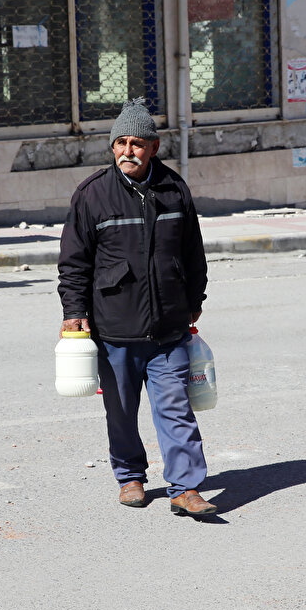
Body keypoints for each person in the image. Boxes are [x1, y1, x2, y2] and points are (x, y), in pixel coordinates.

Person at [57, 98, 216, 517]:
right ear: (112, 147)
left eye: (138, 143)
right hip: (114, 328)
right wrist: (74, 313)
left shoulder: (174, 189)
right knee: (121, 412)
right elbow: (73, 263)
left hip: (168, 326)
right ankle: (130, 476)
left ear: (154, 147)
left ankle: (185, 487)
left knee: (176, 409)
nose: (129, 151)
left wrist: (195, 299)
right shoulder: (92, 195)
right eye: (121, 143)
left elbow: (193, 252)